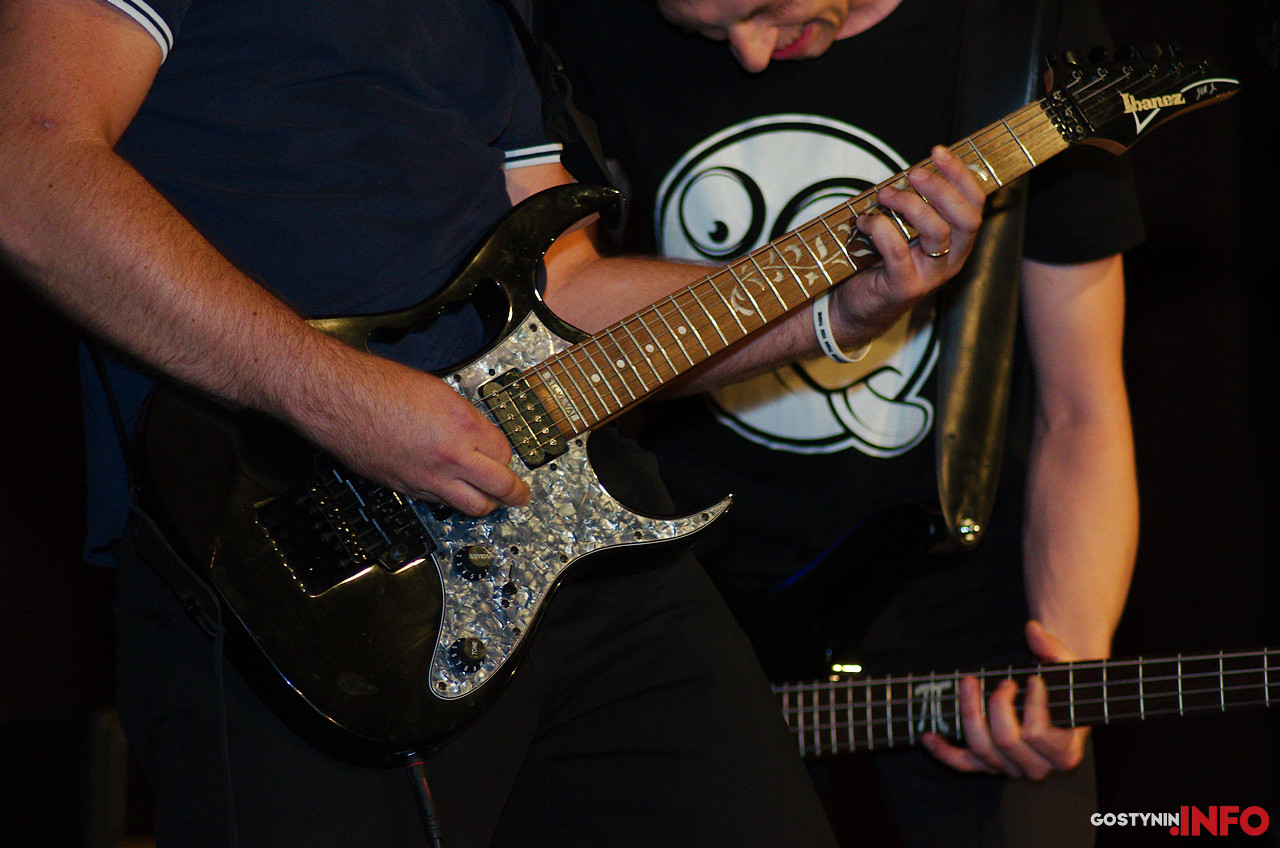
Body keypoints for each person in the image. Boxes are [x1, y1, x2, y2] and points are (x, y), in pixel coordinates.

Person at [0, 0, 989, 845]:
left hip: (576, 547)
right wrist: (336, 396)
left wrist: (831, 314)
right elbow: (27, 165)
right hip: (304, 577)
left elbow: (568, 292)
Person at [537, 0, 1143, 845]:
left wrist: (1070, 656)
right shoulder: (594, 22)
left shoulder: (1016, 31)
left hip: (969, 613)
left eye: (761, 8)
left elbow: (1079, 405)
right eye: (704, 30)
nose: (750, 54)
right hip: (700, 603)